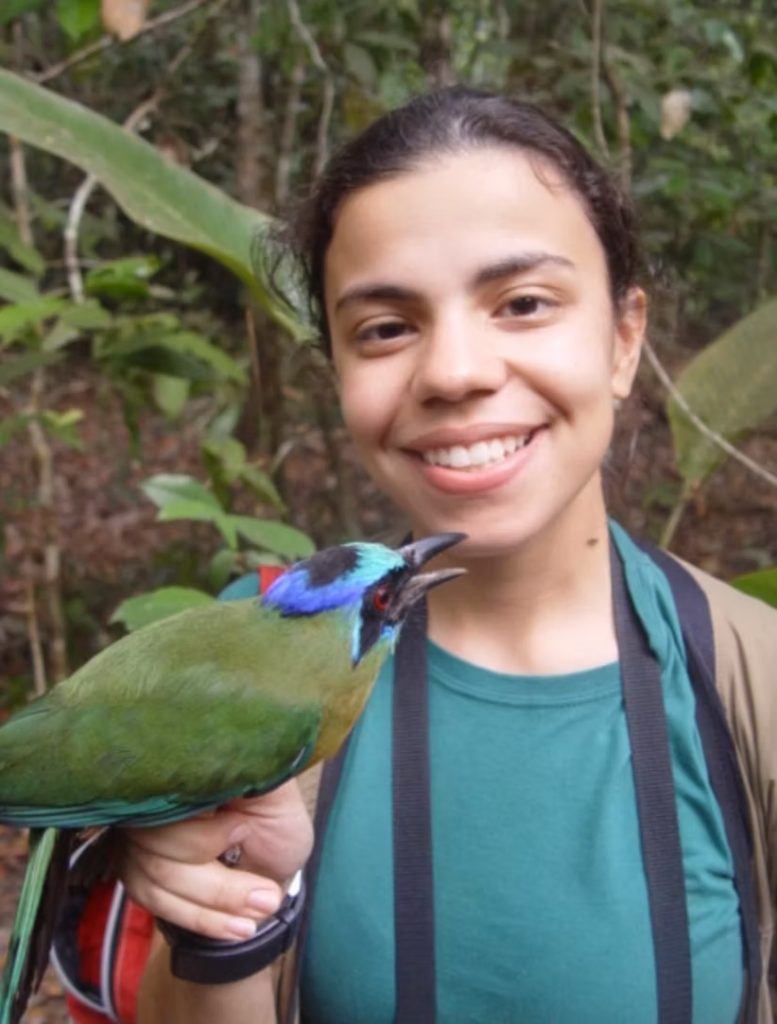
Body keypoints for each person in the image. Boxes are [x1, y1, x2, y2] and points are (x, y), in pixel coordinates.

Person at [110, 86, 775, 1023]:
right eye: (385, 327)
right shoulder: (247, 659)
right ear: (338, 371)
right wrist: (226, 924)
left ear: (624, 339)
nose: (456, 371)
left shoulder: (754, 679)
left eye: (523, 302)